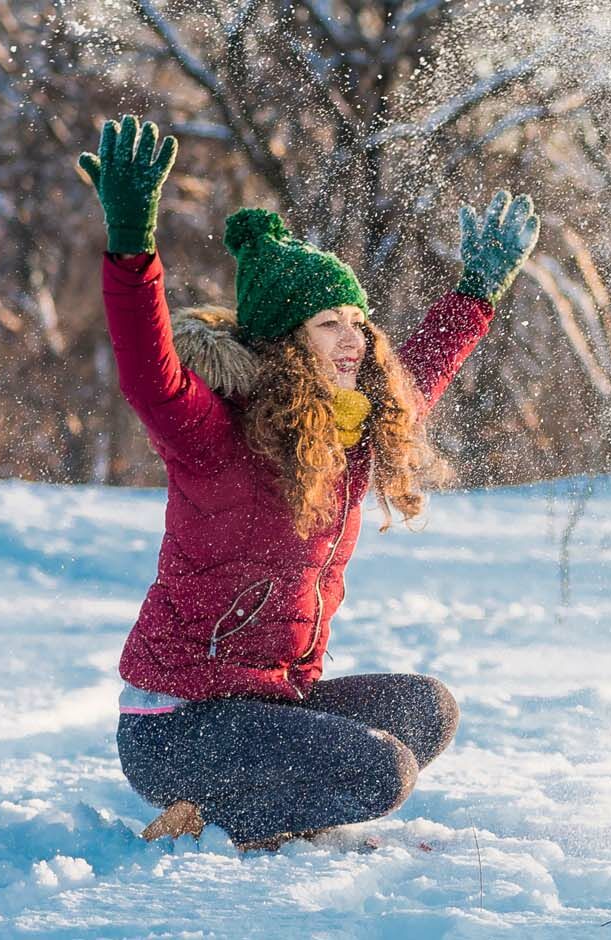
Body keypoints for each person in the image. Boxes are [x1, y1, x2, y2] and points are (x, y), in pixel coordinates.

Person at [78, 115, 539, 850]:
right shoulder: (215, 435)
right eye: (329, 322)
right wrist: (133, 248)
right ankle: (212, 821)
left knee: (426, 710)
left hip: (268, 701)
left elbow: (419, 376)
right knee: (382, 774)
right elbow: (148, 374)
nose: (354, 337)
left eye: (356, 319)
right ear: (288, 342)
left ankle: (263, 806)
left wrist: (475, 293)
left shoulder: (351, 428)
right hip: (178, 724)